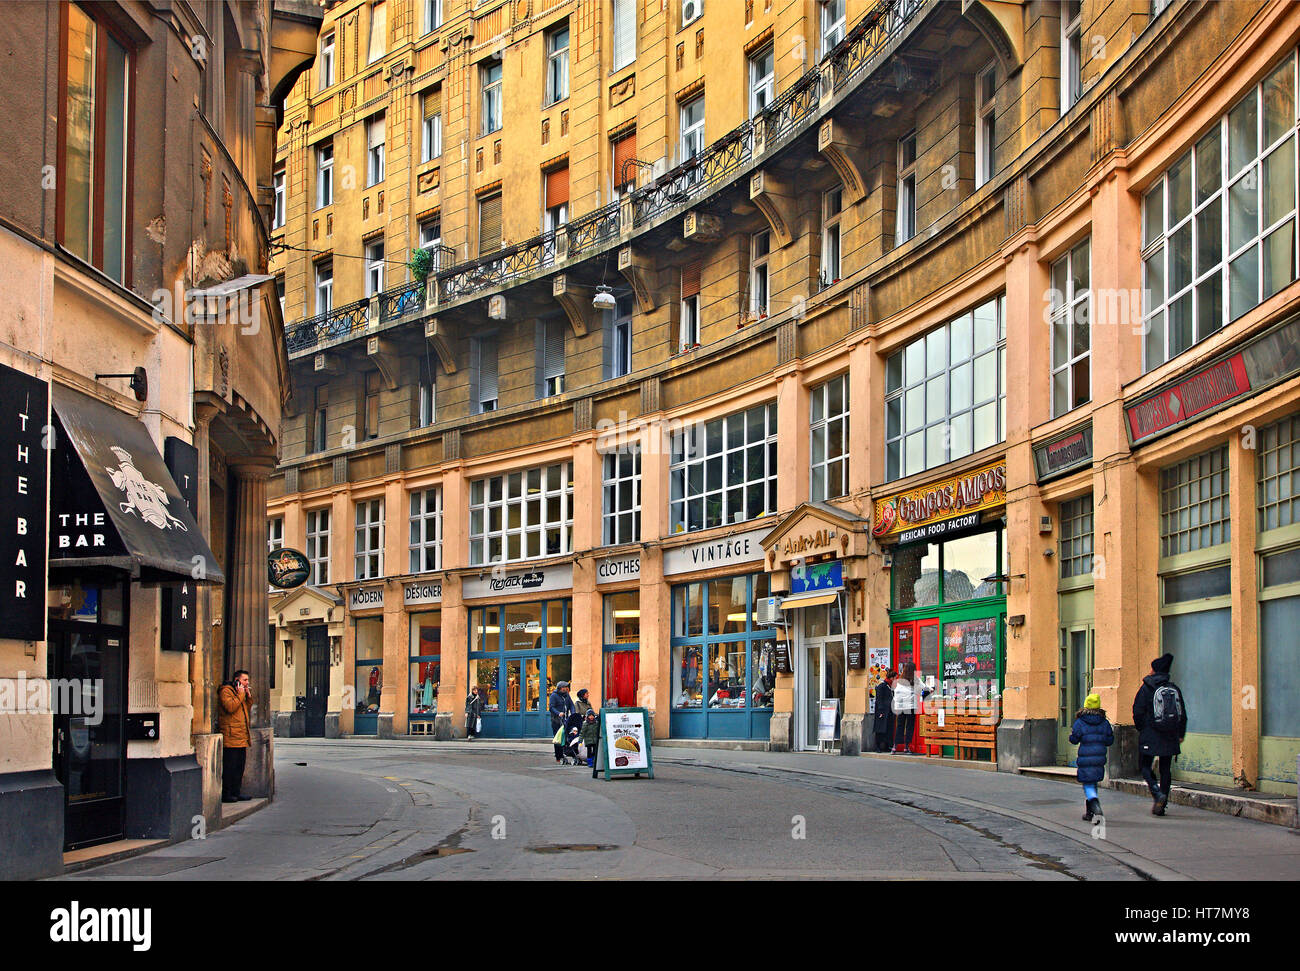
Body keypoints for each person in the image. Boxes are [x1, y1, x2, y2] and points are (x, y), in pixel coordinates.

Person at [1132, 653, 1187, 816]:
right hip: (1170, 733)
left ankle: (1157, 793)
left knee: (1144, 766)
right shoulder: (1173, 688)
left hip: (1150, 733)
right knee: (1165, 769)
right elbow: (1182, 713)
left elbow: (1137, 711)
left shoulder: (1146, 688)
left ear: (1154, 670)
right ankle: (1162, 803)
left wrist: (1142, 728)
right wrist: (1180, 733)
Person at [1069, 692, 1115, 821]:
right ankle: (1089, 813)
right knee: (1092, 782)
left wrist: (1072, 736)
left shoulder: (1080, 722)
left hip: (1085, 757)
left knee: (1088, 784)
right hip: (1099, 757)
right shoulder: (1104, 722)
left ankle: (1095, 805)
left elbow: (1074, 739)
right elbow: (1109, 740)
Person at [218, 670, 253, 803]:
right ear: (237, 680)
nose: (247, 683)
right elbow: (230, 707)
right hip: (231, 736)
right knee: (230, 767)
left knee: (239, 767)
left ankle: (236, 792)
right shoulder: (226, 691)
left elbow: (245, 709)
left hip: (241, 736)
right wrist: (240, 695)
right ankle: (226, 794)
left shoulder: (241, 693)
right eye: (245, 680)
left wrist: (248, 697)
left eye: (247, 680)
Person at [891, 662, 924, 753]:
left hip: (900, 707)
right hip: (911, 707)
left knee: (900, 726)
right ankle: (906, 747)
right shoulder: (915, 679)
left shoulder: (899, 680)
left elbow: (895, 693)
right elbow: (924, 688)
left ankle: (895, 746)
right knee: (910, 726)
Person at [549, 680, 575, 763]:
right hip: (556, 720)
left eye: (566, 687)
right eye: (564, 687)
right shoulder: (554, 696)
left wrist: (573, 713)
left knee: (567, 737)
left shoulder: (567, 695)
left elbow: (571, 705)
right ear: (560, 688)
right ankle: (558, 756)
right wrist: (558, 713)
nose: (566, 689)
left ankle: (567, 752)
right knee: (558, 738)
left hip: (565, 719)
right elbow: (551, 707)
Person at [872, 669, 897, 753]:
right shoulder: (882, 686)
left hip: (889, 711)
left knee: (888, 729)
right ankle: (877, 746)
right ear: (892, 678)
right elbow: (879, 699)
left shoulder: (891, 687)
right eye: (895, 678)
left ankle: (886, 745)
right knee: (880, 729)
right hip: (882, 711)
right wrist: (881, 711)